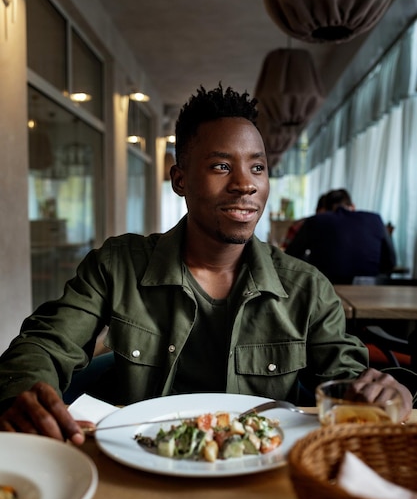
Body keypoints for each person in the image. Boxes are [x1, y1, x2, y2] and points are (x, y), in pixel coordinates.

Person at [0, 85, 412, 444]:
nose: (245, 184)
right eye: (221, 166)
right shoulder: (118, 265)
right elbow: (46, 342)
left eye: (257, 167)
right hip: (143, 462)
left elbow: (346, 378)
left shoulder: (306, 287)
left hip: (263, 468)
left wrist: (378, 391)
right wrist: (21, 390)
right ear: (180, 180)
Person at [285, 188, 397, 284]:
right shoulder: (375, 219)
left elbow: (290, 257)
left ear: (324, 210)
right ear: (352, 206)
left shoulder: (316, 221)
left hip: (326, 290)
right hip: (369, 291)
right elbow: (391, 262)